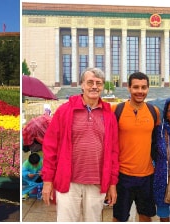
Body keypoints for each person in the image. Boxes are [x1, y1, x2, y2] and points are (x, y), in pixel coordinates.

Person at [41, 67, 119, 222]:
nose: (94, 86)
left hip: (97, 182)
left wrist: (112, 183)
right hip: (68, 181)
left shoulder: (108, 115)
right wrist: (47, 181)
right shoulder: (65, 111)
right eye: (90, 82)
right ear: (82, 85)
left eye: (99, 83)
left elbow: (114, 152)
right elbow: (50, 147)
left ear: (103, 87)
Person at [113, 72, 160, 222]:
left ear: (148, 89)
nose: (140, 91)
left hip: (147, 175)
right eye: (136, 87)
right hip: (122, 175)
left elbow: (157, 140)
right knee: (119, 217)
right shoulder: (116, 110)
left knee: (146, 216)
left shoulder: (154, 112)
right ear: (129, 88)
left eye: (143, 87)